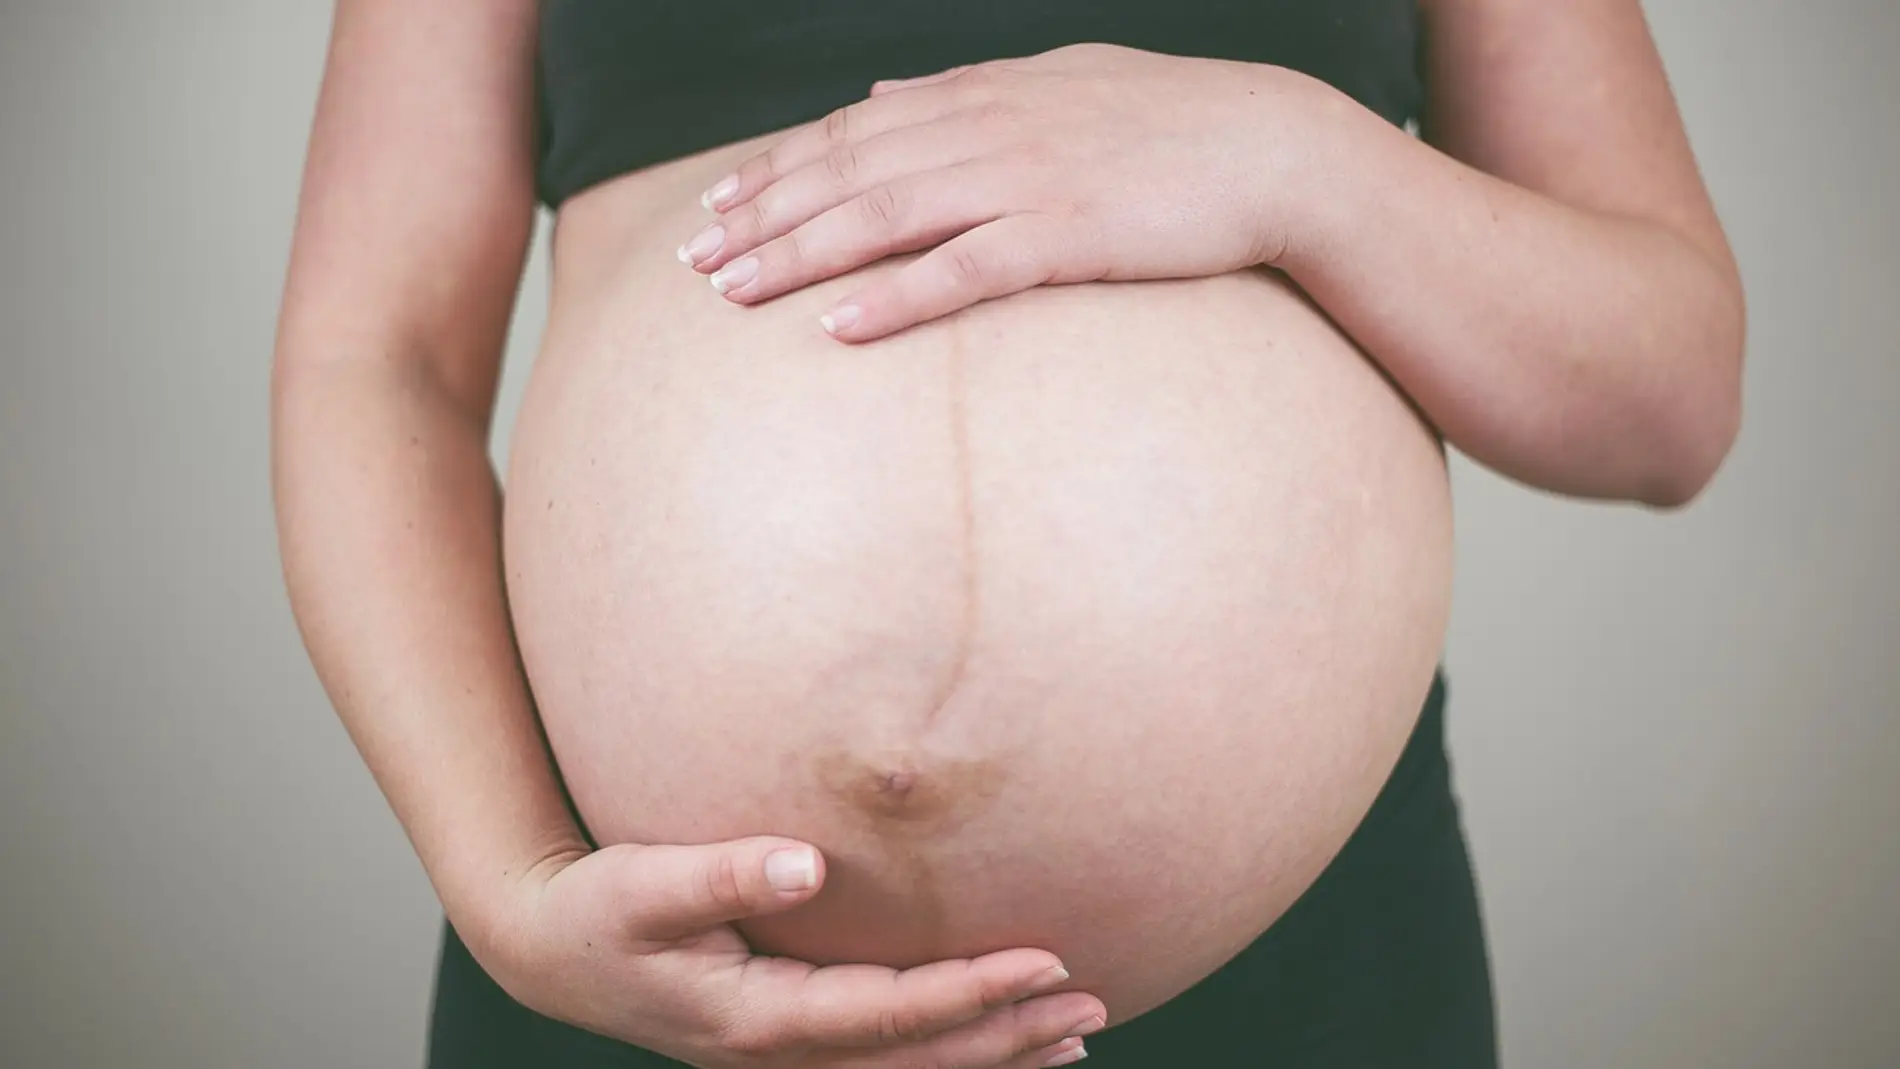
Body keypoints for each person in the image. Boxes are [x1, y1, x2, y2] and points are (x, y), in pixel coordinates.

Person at [271, 1, 1743, 1066]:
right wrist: (513, 887)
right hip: (637, 972)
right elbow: (374, 359)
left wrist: (1303, 158)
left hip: (1294, 965)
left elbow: (1669, 397)